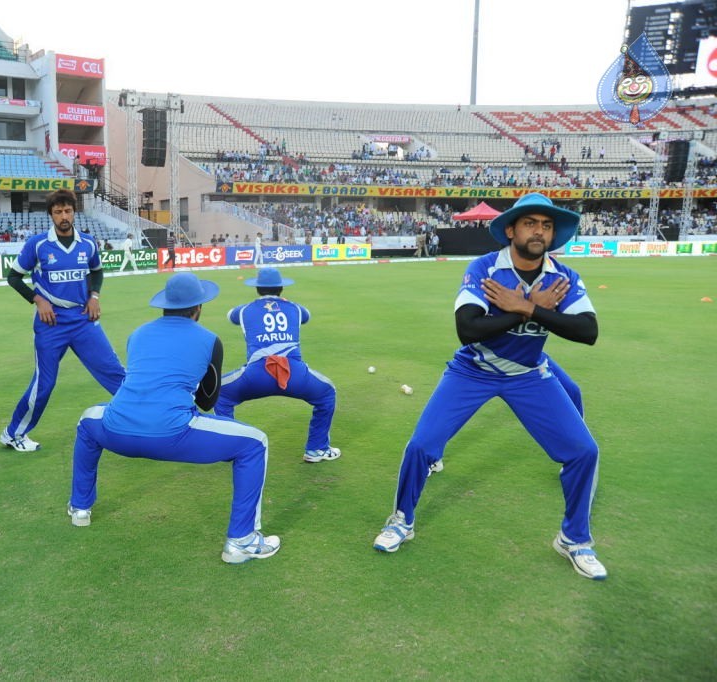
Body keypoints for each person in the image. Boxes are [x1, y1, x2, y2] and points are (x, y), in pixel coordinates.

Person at [372, 193, 607, 580]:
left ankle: (574, 539)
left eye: (546, 225)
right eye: (530, 223)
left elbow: (588, 332)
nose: (539, 231)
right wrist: (525, 310)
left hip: (529, 374)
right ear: (511, 230)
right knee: (422, 446)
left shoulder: (563, 277)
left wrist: (527, 307)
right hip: (474, 369)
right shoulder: (485, 268)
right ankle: (401, 520)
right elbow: (468, 329)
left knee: (584, 451)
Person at [68, 272, 279, 564]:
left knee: (87, 420)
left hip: (116, 429)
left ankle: (80, 508)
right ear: (198, 308)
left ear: (165, 305)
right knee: (255, 442)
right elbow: (207, 401)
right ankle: (242, 542)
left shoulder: (138, 333)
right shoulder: (210, 340)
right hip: (172, 435)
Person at [0, 189, 125, 452]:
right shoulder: (38, 244)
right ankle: (14, 434)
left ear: (74, 212)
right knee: (44, 384)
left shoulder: (87, 243)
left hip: (83, 320)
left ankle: (144, 417)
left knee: (114, 371)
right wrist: (38, 299)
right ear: (51, 215)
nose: (64, 216)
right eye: (58, 212)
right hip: (51, 324)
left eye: (68, 211)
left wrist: (94, 296)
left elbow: (97, 272)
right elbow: (13, 277)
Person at [215, 268, 339, 463]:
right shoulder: (294, 308)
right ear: (281, 288)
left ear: (257, 288)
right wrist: (284, 304)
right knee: (327, 393)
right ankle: (316, 449)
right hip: (294, 373)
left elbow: (230, 315)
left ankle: (229, 448)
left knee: (220, 393)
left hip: (256, 374)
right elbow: (307, 316)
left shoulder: (246, 309)